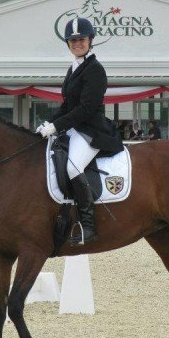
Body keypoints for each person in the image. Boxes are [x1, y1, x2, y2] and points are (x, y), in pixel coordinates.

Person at [36, 17, 123, 246]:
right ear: (68, 43)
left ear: (90, 41)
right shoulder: (74, 68)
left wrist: (57, 126)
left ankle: (88, 226)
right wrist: (48, 123)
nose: (77, 43)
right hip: (74, 128)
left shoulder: (95, 70)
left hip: (91, 131)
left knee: (73, 167)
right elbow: (67, 106)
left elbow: (86, 108)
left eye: (81, 39)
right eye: (73, 40)